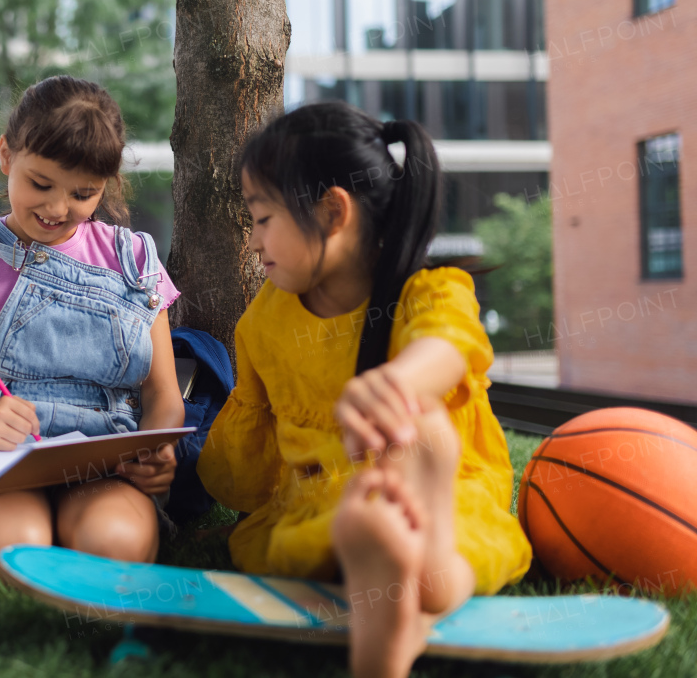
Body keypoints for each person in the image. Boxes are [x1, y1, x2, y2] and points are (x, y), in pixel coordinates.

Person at [198, 101, 531, 678]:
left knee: (309, 538)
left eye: (262, 217)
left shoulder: (426, 289)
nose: (254, 241)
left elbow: (448, 346)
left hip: (421, 486)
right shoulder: (262, 321)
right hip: (351, 501)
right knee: (425, 547)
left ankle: (405, 546)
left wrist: (397, 385)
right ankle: (417, 588)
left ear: (332, 211)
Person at [0, 76, 185, 579]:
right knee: (16, 556)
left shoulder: (137, 260)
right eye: (40, 184)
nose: (56, 209)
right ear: (6, 155)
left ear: (108, 183)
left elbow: (163, 393)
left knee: (111, 551)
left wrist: (156, 450)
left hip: (103, 463)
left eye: (83, 193)